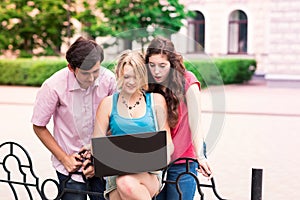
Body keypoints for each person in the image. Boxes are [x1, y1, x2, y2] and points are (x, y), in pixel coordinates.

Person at [31, 36, 117, 200]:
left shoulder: (109, 80)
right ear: (71, 68)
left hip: (102, 162)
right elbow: (39, 125)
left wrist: (99, 160)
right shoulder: (53, 86)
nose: (92, 79)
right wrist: (65, 159)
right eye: (85, 73)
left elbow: (115, 122)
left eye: (96, 72)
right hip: (69, 165)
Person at [91, 50, 174, 200]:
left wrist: (162, 157)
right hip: (115, 176)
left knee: (126, 183)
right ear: (118, 75)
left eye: (136, 77)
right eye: (126, 76)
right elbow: (97, 144)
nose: (131, 82)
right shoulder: (108, 104)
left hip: (149, 175)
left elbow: (167, 141)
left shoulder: (156, 100)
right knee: (124, 182)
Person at [145, 36, 212, 200]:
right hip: (155, 161)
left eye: (162, 65)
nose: (157, 71)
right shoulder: (146, 82)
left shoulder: (188, 80)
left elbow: (195, 122)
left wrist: (200, 156)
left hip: (184, 160)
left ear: (172, 64)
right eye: (152, 65)